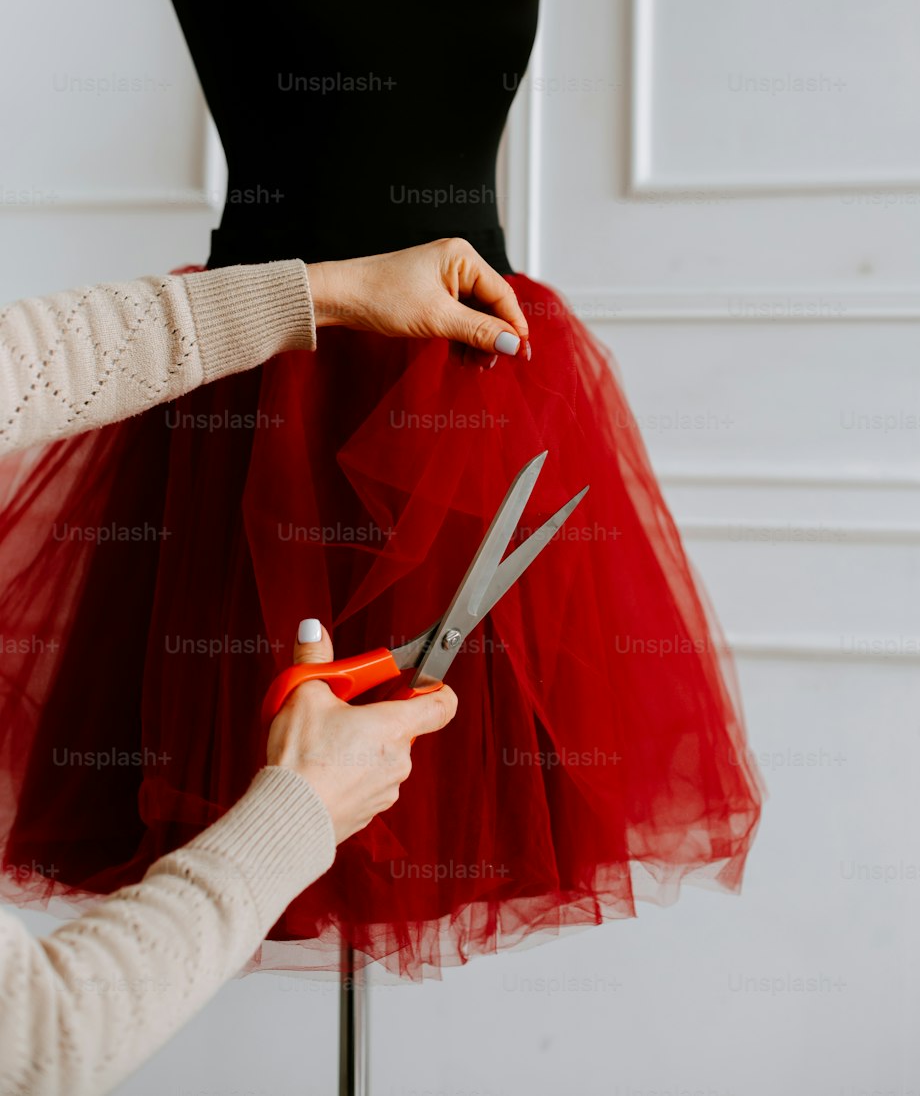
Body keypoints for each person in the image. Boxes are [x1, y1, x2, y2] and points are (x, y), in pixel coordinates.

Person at [0, 237, 527, 1096]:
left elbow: (16, 366)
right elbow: (40, 1040)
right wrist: (298, 812)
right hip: (242, 430)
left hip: (414, 358)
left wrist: (323, 292)